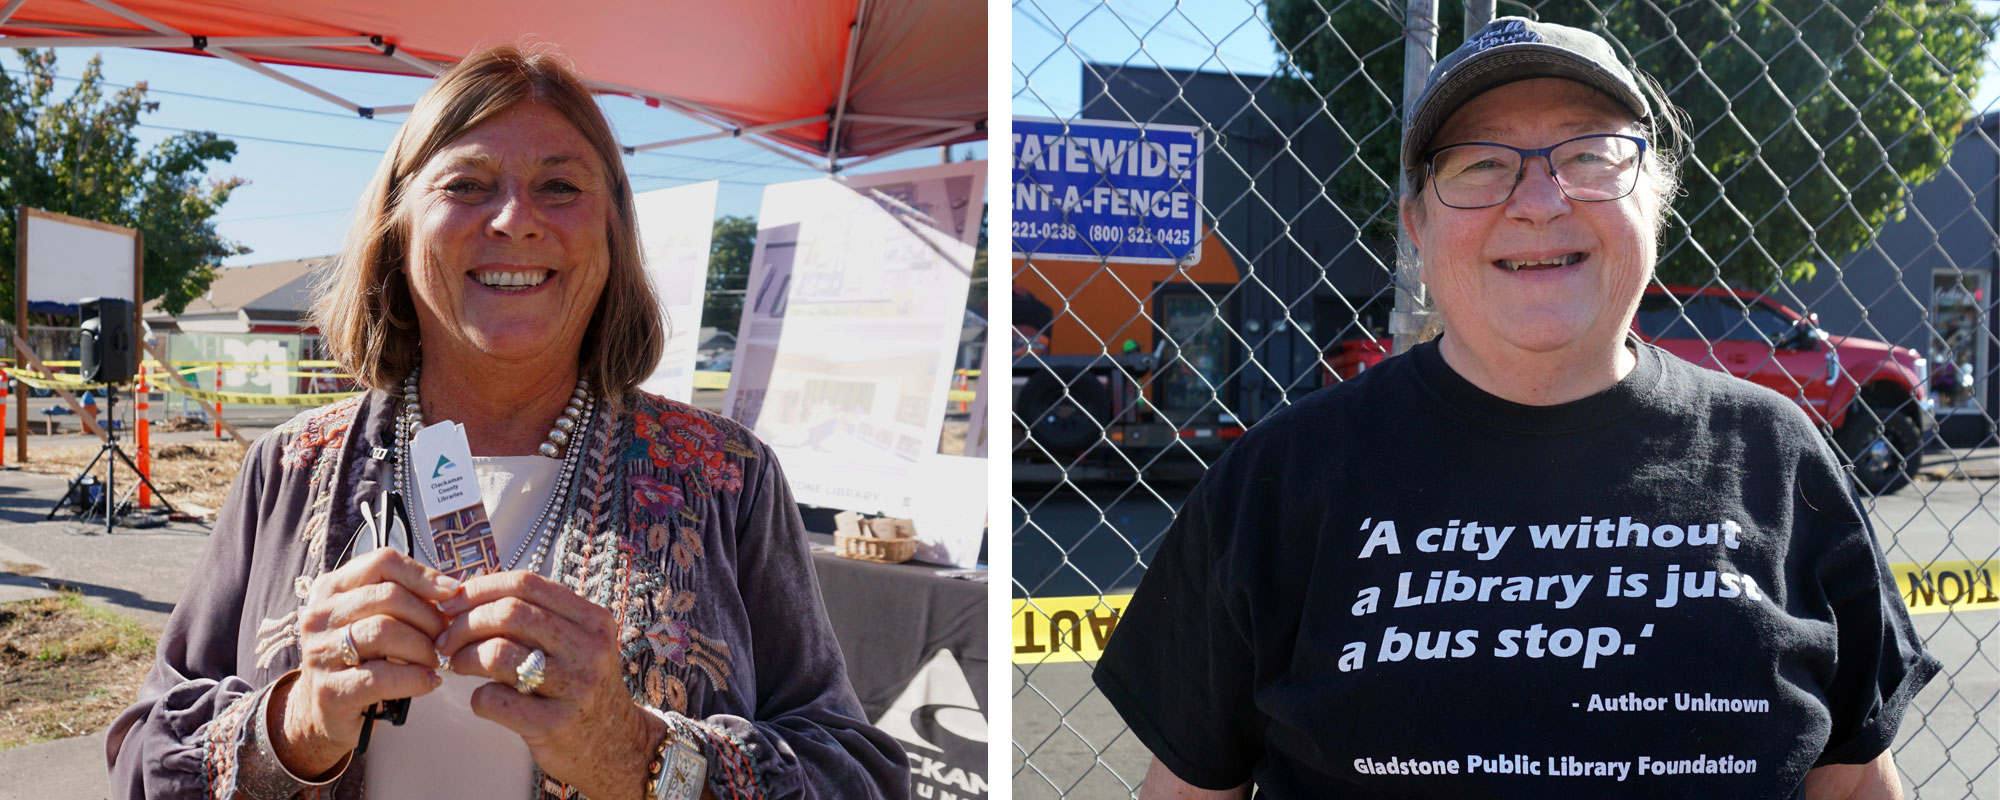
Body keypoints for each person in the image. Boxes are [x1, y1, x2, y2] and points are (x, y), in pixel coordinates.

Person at [1092, 17, 1937, 799]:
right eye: (1481, 164)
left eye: (1591, 157)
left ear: (1655, 201)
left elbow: (1856, 779)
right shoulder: (1278, 481)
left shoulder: (1781, 457)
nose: (1539, 201)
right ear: (1415, 229)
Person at [107, 45, 907, 800]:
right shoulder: (290, 466)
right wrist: (299, 722)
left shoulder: (724, 476)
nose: (517, 219)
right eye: (467, 185)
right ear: (399, 223)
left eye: (560, 186)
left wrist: (638, 753)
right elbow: (142, 757)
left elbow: (862, 774)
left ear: (613, 231)